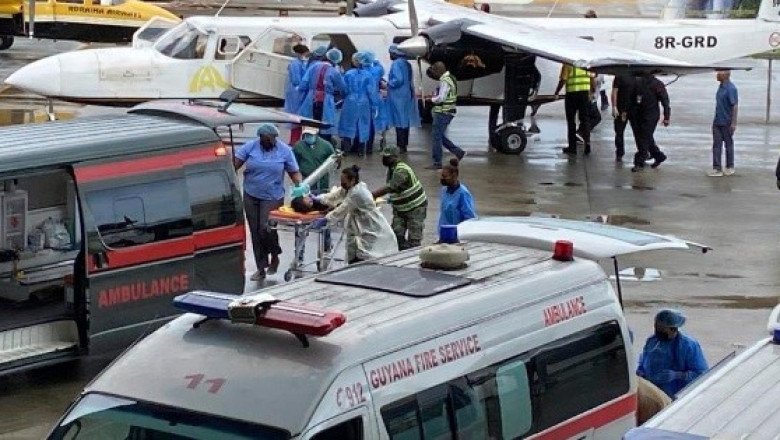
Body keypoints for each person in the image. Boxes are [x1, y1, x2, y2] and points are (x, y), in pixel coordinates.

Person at [234, 123, 302, 281]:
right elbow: (234, 164)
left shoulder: (284, 150)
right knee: (255, 231)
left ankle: (275, 255)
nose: (271, 142)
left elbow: (294, 172)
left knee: (266, 229)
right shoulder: (250, 147)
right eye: (268, 139)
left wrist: (301, 188)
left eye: (273, 139)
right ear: (261, 138)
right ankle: (261, 268)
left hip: (273, 196)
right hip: (251, 194)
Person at [314, 166, 398, 264]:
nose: (342, 184)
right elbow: (335, 195)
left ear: (353, 180)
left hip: (371, 226)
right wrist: (319, 198)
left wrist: (327, 219)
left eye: (343, 182)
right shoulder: (350, 187)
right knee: (355, 250)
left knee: (372, 255)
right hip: (358, 225)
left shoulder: (358, 193)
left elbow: (342, 209)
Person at [636, 309, 708, 398]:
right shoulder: (652, 341)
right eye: (656, 328)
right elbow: (643, 361)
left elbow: (702, 374)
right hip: (652, 394)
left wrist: (678, 375)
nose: (658, 333)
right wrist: (641, 372)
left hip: (676, 396)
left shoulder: (688, 346)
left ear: (673, 329)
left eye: (662, 330)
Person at [372, 145, 428, 250]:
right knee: (396, 235)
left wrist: (371, 195)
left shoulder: (401, 170)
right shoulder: (391, 170)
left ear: (394, 157)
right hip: (401, 209)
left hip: (415, 208)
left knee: (414, 240)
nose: (384, 159)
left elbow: (390, 187)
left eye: (387, 157)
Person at [298, 48, 347, 144]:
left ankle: (307, 146)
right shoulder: (335, 72)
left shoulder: (313, 66)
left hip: (311, 99)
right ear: (336, 61)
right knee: (325, 126)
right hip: (326, 102)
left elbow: (303, 84)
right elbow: (343, 89)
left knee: (310, 124)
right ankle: (324, 147)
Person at [425, 61, 465, 169]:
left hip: (443, 111)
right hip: (449, 111)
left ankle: (437, 162)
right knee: (438, 135)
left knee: (436, 137)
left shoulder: (444, 80)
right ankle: (458, 152)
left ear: (438, 71)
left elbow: (441, 98)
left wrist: (431, 99)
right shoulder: (451, 78)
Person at [338, 52, 375, 156]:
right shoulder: (368, 75)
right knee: (362, 124)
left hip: (350, 101)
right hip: (364, 102)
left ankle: (346, 149)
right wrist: (374, 105)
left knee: (347, 123)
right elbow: (371, 92)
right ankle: (360, 150)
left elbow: (343, 89)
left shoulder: (348, 74)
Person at [631, 73, 670, 172]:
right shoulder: (639, 83)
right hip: (640, 114)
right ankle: (659, 156)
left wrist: (666, 116)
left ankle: (639, 161)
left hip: (650, 116)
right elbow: (633, 99)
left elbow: (665, 101)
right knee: (646, 137)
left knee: (643, 138)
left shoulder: (656, 84)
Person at [554, 63, 595, 155]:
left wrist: (556, 92)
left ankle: (572, 148)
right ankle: (587, 142)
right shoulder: (587, 65)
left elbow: (563, 80)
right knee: (585, 119)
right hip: (584, 95)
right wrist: (593, 91)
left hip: (571, 95)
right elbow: (592, 79)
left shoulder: (568, 64)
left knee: (571, 121)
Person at [387, 44, 420, 154]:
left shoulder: (396, 64)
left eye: (390, 53)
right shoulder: (407, 63)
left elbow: (398, 79)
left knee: (399, 121)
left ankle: (400, 145)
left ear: (394, 53)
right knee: (405, 121)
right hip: (406, 95)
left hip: (398, 96)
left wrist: (388, 84)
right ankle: (404, 144)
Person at [708, 70, 738, 177]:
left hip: (727, 122)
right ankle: (717, 168)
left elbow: (734, 106)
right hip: (717, 121)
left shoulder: (731, 88)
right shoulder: (720, 87)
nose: (716, 75)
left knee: (728, 145)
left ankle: (730, 166)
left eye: (719, 73)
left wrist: (733, 123)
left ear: (725, 75)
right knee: (716, 145)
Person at [292, 125, 336, 193]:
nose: (308, 136)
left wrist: (337, 161)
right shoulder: (298, 146)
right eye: (307, 134)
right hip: (304, 181)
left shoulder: (326, 146)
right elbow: (293, 165)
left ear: (316, 134)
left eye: (310, 134)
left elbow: (334, 161)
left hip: (321, 182)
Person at [438, 158, 477, 227]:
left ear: (454, 176)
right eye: (441, 176)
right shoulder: (444, 190)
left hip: (457, 232)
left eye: (445, 176)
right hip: (444, 231)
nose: (442, 178)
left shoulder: (463, 193)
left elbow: (470, 217)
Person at [285, 44, 310, 145]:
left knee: (299, 119)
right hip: (296, 93)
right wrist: (304, 85)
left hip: (298, 92)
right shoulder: (295, 64)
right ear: (301, 53)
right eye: (306, 53)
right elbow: (296, 80)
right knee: (296, 118)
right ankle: (293, 141)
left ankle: (296, 140)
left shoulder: (300, 63)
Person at [364, 51, 388, 154]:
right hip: (376, 98)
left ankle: (361, 145)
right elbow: (382, 71)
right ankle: (374, 145)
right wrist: (377, 62)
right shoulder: (377, 70)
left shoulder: (361, 71)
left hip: (364, 99)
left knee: (364, 122)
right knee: (379, 121)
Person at [611, 73, 638, 162]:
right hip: (632, 109)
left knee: (619, 132)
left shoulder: (620, 75)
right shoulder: (637, 75)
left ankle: (620, 153)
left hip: (622, 108)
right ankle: (642, 151)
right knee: (638, 132)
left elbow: (614, 91)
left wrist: (614, 106)